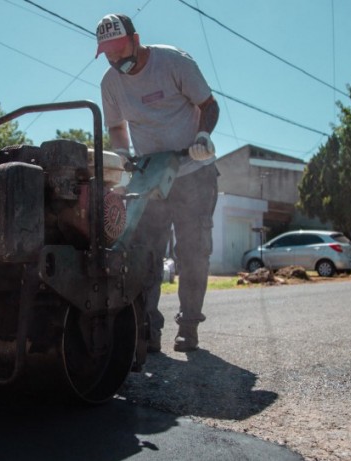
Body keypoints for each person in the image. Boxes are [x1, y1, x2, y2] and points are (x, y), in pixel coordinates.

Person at [95, 13, 220, 352]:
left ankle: (189, 327)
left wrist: (202, 136)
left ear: (136, 40)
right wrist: (123, 155)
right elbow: (117, 127)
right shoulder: (110, 83)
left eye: (120, 51)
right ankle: (147, 330)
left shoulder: (173, 62)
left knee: (193, 252)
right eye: (108, 54)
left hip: (193, 169)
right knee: (145, 254)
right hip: (149, 174)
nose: (116, 59)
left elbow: (209, 105)